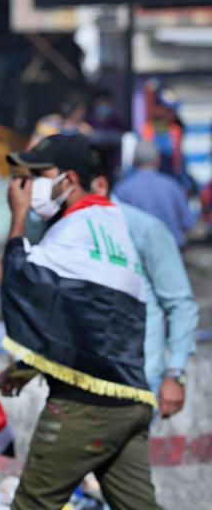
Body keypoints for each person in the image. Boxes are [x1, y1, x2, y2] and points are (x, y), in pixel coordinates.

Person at [0, 134, 158, 510]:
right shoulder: (110, 225)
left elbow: (21, 283)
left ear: (68, 179)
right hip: (130, 400)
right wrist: (26, 368)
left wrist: (18, 216)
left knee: (31, 505)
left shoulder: (75, 230)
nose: (26, 183)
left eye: (38, 173)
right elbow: (79, 326)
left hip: (86, 407)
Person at [91, 157, 198, 417]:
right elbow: (187, 222)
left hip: (138, 376)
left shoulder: (138, 218)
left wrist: (174, 372)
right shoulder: (172, 186)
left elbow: (181, 304)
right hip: (96, 377)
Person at [114, 140, 195, 248]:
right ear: (158, 161)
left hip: (139, 251)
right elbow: (187, 222)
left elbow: (117, 225)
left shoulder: (122, 189)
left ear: (134, 161)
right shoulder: (173, 186)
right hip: (173, 249)